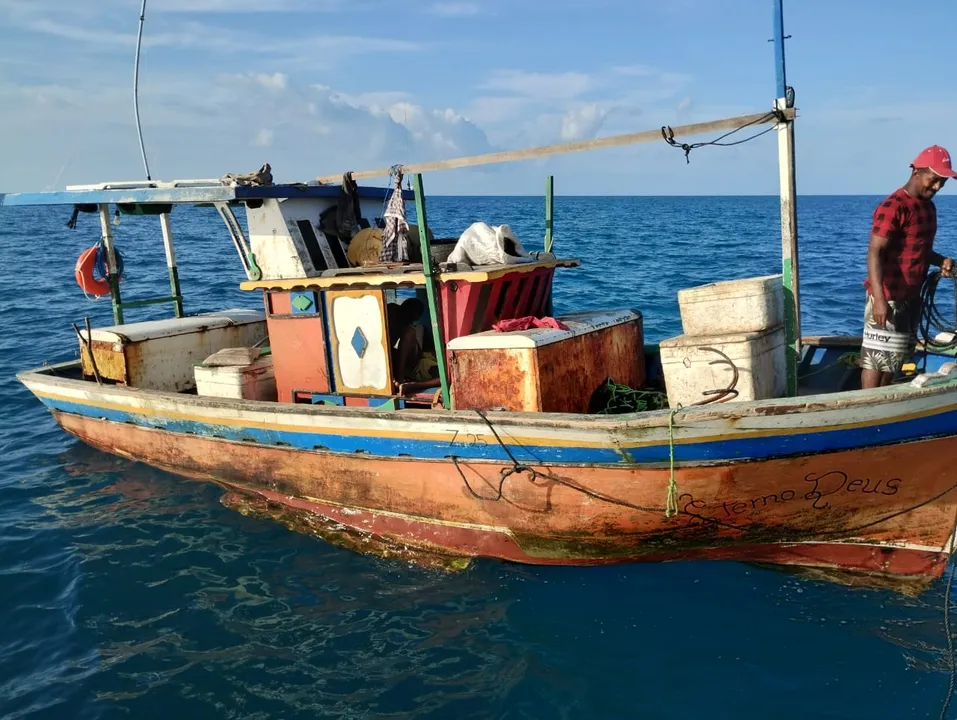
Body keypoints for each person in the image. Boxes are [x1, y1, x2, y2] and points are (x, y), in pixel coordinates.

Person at [861, 145, 956, 389]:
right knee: (876, 360)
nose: (937, 187)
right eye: (933, 180)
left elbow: (919, 249)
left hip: (912, 297)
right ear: (916, 173)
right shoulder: (894, 206)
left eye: (942, 182)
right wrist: (880, 300)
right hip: (889, 296)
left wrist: (940, 260)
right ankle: (870, 408)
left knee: (895, 359)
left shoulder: (928, 207)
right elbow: (875, 252)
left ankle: (884, 404)